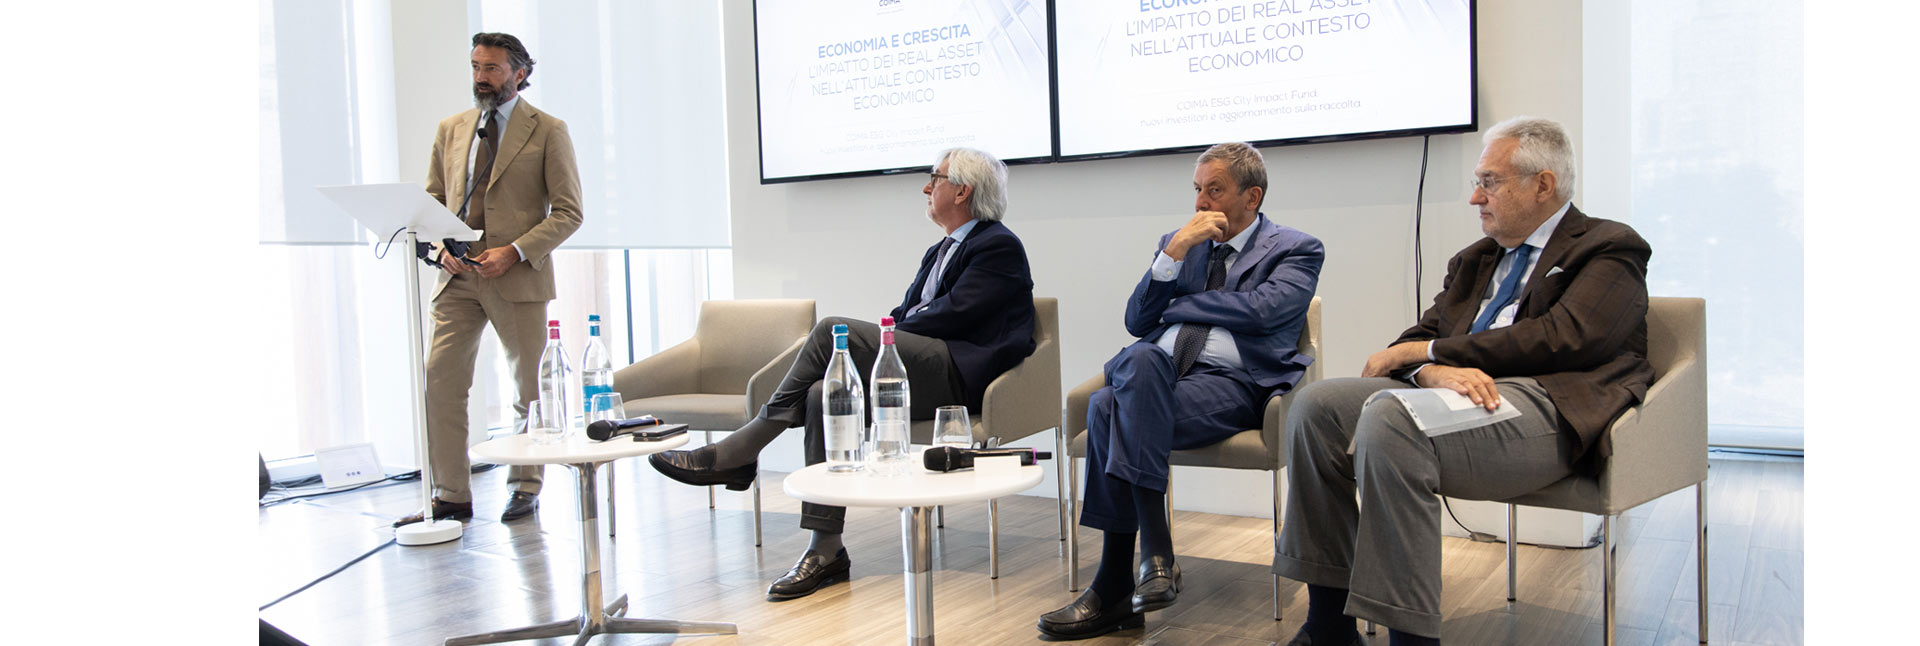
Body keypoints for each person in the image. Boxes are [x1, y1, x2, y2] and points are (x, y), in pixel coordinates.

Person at [1272, 116, 1653, 646]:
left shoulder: (1609, 246)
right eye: (1478, 182)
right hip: (1456, 398)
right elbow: (1412, 342)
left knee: (1391, 418)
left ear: (1543, 185)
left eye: (1489, 182)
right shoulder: (1475, 260)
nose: (1476, 197)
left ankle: (1411, 639)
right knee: (1317, 406)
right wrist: (1431, 368)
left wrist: (1429, 352)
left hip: (1546, 406)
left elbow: (1565, 337)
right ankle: (1328, 628)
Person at [648, 147, 1036, 601]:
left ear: (962, 190)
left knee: (836, 330)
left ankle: (742, 448)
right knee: (822, 394)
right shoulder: (940, 250)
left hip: (957, 376)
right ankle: (825, 547)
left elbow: (951, 316)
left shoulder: (997, 245)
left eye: (935, 178)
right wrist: (891, 330)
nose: (926, 188)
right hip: (922, 365)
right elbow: (908, 312)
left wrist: (886, 333)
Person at [1038, 143, 1324, 640]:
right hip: (1161, 373)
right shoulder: (1179, 243)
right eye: (1197, 189)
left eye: (1214, 189)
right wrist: (1171, 256)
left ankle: (1116, 583)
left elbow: (1262, 312)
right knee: (1139, 361)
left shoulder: (1297, 248)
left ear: (1251, 197)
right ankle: (1153, 557)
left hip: (1232, 384)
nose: (1200, 202)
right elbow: (1137, 320)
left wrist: (1181, 306)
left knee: (1107, 408)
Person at [395, 32, 583, 526]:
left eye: (493, 68)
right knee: (440, 382)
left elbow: (569, 212)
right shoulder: (452, 128)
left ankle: (525, 486)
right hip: (457, 278)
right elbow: (433, 202)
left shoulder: (549, 130)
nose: (481, 77)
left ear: (520, 73)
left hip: (516, 276)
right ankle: (450, 494)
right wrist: (440, 248)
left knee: (529, 390)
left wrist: (515, 251)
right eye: (476, 66)